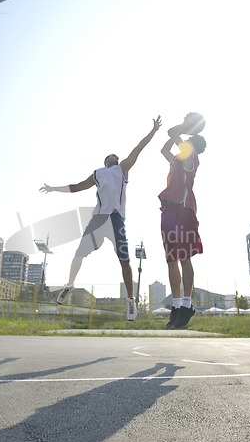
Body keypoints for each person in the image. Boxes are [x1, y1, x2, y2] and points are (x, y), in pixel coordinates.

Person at [39, 116, 162, 321]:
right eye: (110, 155)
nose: (114, 156)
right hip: (99, 219)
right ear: (105, 161)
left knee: (125, 260)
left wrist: (153, 131)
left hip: (115, 219)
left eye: (116, 155)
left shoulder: (122, 169)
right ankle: (69, 285)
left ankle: (131, 302)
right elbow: (77, 187)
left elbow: (139, 148)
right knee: (79, 253)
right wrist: (54, 188)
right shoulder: (97, 173)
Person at [158, 113, 206, 329]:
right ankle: (176, 307)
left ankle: (187, 305)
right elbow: (164, 149)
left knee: (185, 258)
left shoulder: (190, 154)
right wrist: (186, 129)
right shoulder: (178, 159)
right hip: (169, 209)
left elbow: (172, 133)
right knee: (171, 259)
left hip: (184, 209)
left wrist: (188, 126)